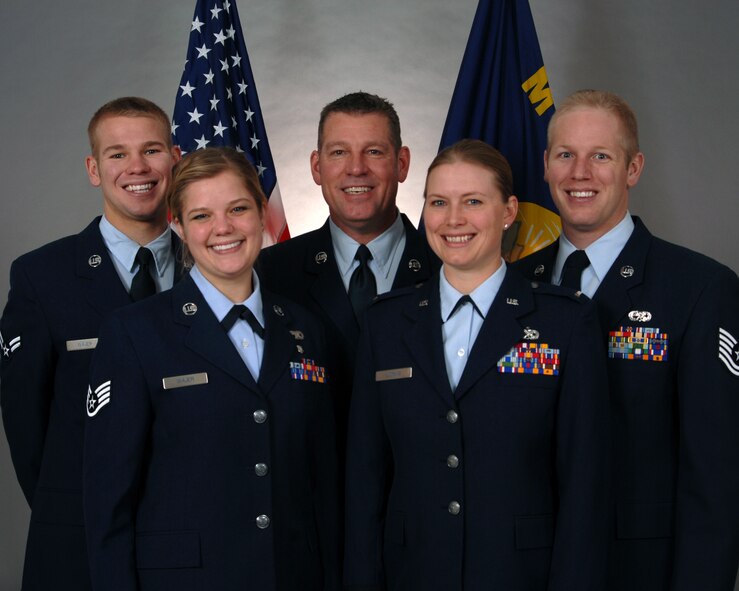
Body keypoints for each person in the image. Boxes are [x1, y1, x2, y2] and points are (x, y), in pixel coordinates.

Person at [344, 139, 609, 590]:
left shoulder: (565, 321)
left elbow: (585, 487)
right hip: (413, 575)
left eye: (473, 202)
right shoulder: (385, 323)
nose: (454, 220)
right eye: (439, 203)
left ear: (507, 211)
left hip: (521, 577)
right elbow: (365, 481)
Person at [83, 147, 340, 590]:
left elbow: (324, 486)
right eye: (201, 216)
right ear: (178, 225)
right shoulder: (136, 333)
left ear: (262, 213)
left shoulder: (305, 329)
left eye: (238, 209)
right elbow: (109, 500)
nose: (223, 229)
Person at [513, 89, 739, 590]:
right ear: (546, 166)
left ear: (633, 168)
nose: (580, 174)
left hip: (637, 572)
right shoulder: (512, 287)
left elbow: (716, 481)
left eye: (601, 156)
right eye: (566, 155)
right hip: (525, 568)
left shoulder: (700, 289)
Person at [0, 97, 183, 591]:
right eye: (117, 154)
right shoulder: (42, 276)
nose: (137, 168)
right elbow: (26, 423)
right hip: (77, 537)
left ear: (176, 158)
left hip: (192, 534)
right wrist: (82, 504)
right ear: (93, 169)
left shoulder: (213, 266)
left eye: (152, 150)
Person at [257, 91, 439, 445]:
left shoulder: (448, 266)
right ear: (316, 166)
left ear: (402, 164)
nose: (356, 168)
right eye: (339, 152)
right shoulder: (271, 273)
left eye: (374, 151)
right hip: (312, 490)